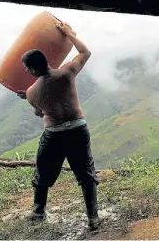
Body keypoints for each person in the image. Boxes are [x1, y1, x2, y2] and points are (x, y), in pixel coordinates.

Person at [17, 21, 101, 230]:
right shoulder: (67, 72)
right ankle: (93, 218)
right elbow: (86, 52)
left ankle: (38, 212)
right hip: (78, 129)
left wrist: (28, 98)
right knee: (86, 174)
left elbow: (40, 112)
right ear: (46, 61)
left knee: (43, 172)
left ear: (30, 70)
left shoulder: (31, 92)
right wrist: (69, 33)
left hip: (53, 134)